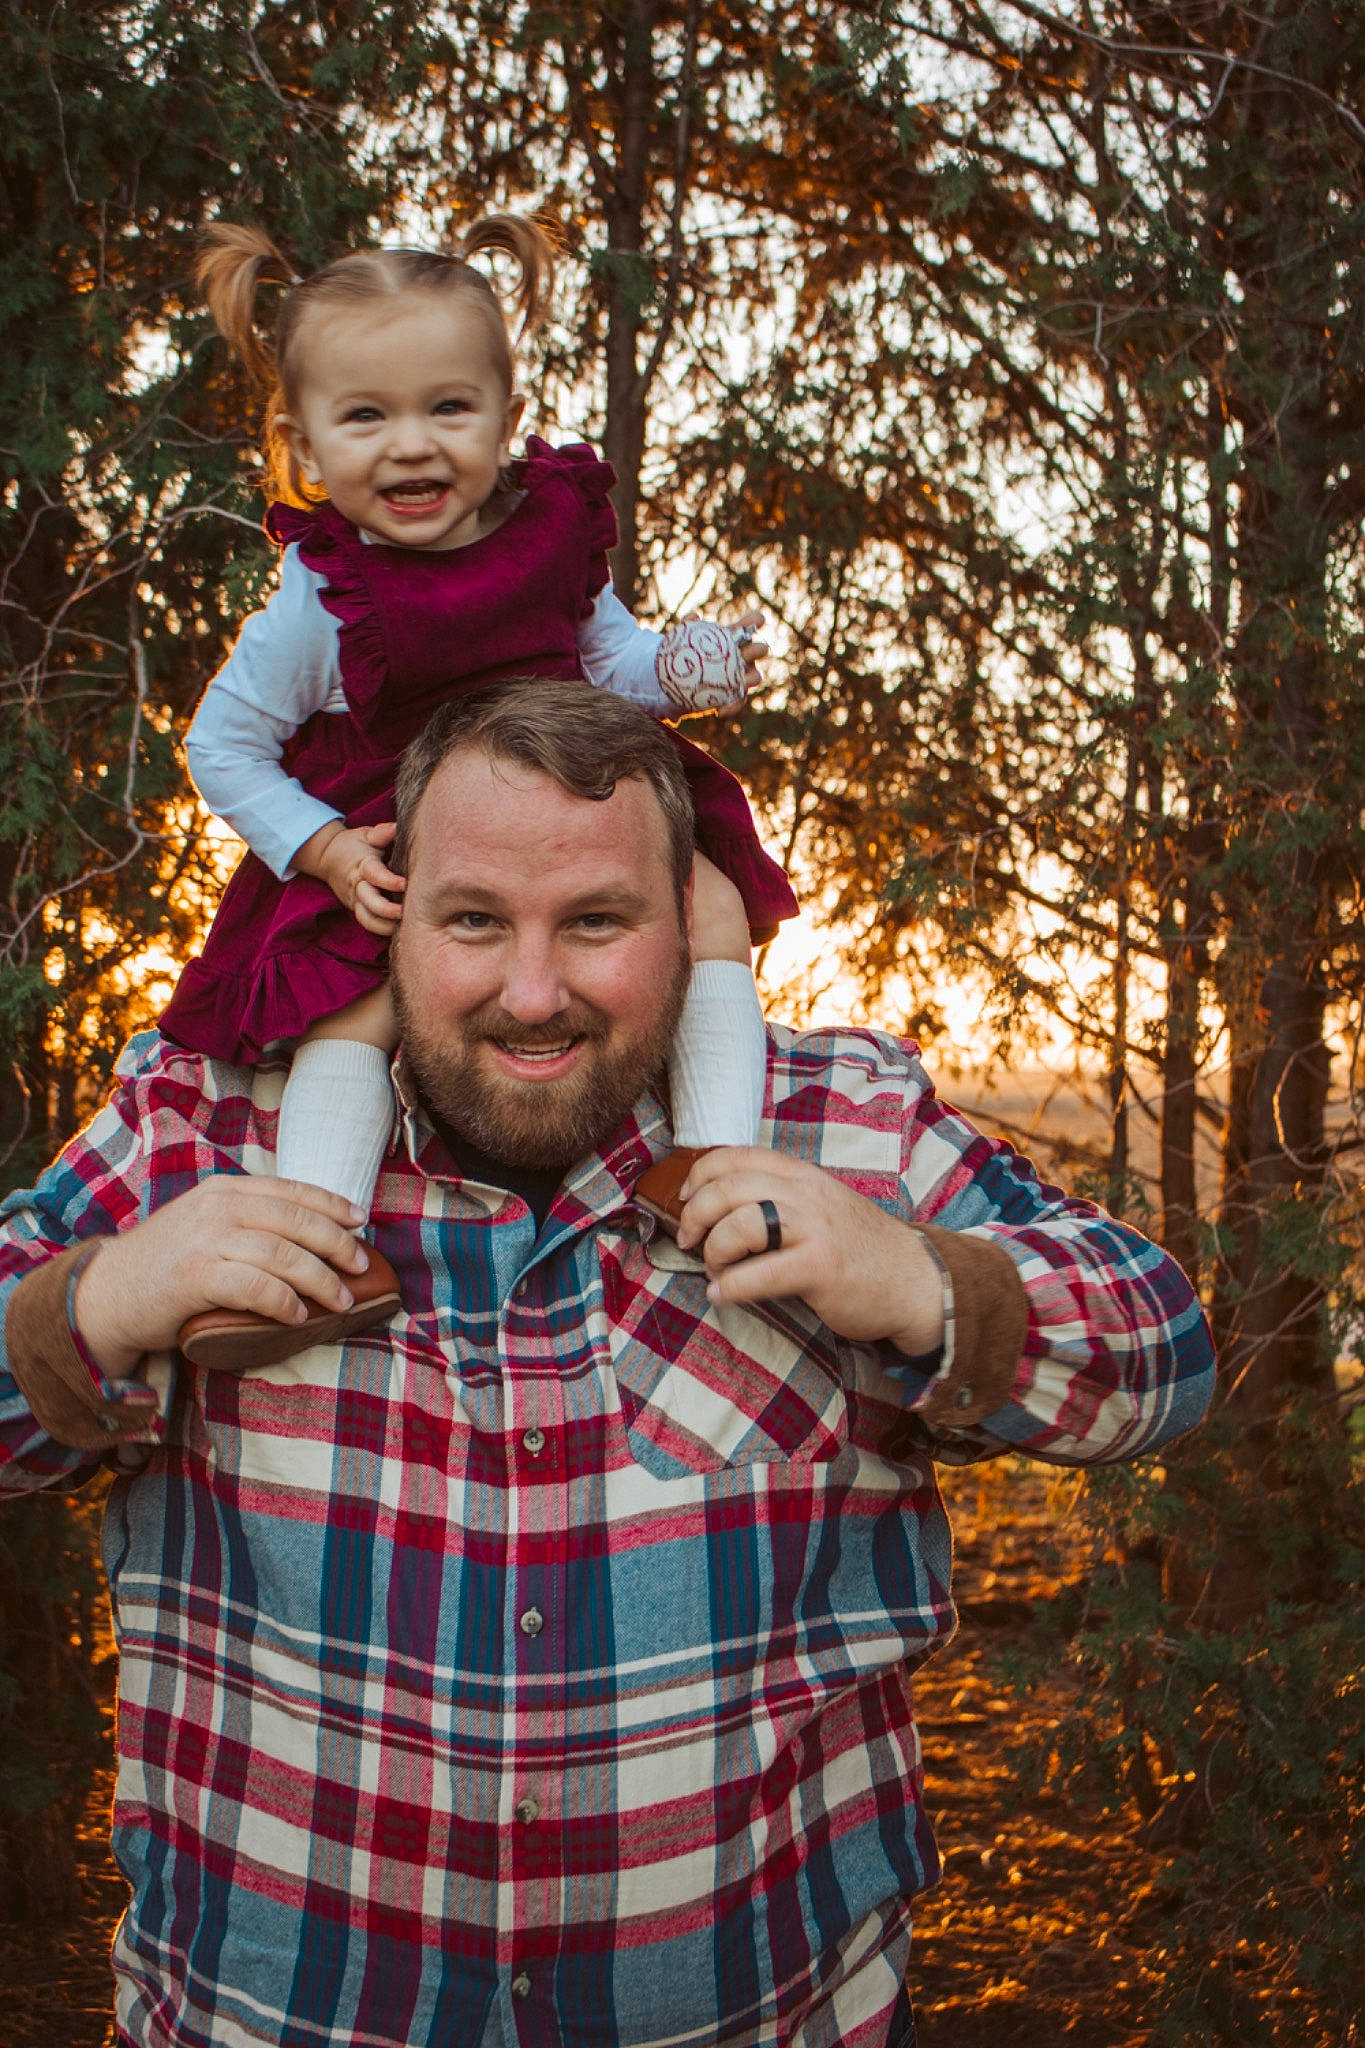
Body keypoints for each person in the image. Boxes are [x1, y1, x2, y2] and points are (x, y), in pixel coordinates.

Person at [0, 682, 1215, 2048]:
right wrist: (99, 1301)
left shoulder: (845, 1133)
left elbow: (1161, 1349)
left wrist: (920, 1281)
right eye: (471, 920)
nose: (533, 992)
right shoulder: (200, 1132)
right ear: (386, 908)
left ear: (690, 921)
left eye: (595, 921)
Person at [163, 216, 797, 1369]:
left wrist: (685, 670)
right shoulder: (326, 592)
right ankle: (316, 1244)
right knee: (349, 1007)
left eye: (448, 409)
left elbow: (608, 662)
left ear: (507, 416)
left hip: (577, 789)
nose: (412, 447)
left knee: (710, 909)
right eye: (366, 416)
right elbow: (223, 745)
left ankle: (714, 1165)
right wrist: (320, 851)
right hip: (397, 829)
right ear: (303, 441)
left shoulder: (553, 526)